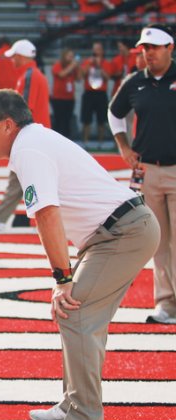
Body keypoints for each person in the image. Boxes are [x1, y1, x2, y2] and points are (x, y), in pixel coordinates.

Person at [0, 89, 159, 420]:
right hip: (117, 230)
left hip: (121, 232)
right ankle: (74, 403)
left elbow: (47, 214)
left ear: (8, 124)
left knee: (74, 311)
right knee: (79, 315)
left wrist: (62, 278)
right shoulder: (30, 141)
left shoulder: (28, 148)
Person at [109, 24, 176, 325]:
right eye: (144, 48)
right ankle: (167, 304)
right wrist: (123, 146)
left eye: (154, 48)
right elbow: (114, 112)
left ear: (170, 48)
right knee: (159, 242)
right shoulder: (134, 82)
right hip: (148, 171)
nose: (148, 53)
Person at [0, 39, 50, 232]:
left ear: (20, 55)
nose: (12, 61)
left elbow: (24, 108)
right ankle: (0, 218)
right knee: (24, 178)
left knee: (19, 176)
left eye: (14, 56)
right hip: (35, 135)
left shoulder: (29, 76)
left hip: (29, 136)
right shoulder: (34, 74)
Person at [80, 42, 112, 146]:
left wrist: (99, 66)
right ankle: (85, 142)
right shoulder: (87, 62)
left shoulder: (106, 63)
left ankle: (101, 143)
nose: (96, 52)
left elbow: (107, 78)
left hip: (101, 93)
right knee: (86, 119)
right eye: (94, 49)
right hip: (89, 93)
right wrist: (90, 64)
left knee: (101, 120)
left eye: (98, 49)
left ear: (102, 51)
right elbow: (82, 75)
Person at [50, 48, 78, 139]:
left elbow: (79, 78)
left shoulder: (73, 67)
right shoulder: (57, 65)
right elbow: (62, 74)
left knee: (67, 120)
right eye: (69, 56)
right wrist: (72, 66)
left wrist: (78, 67)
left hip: (70, 98)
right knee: (59, 120)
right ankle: (56, 139)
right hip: (58, 98)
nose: (71, 58)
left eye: (72, 56)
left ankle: (67, 138)